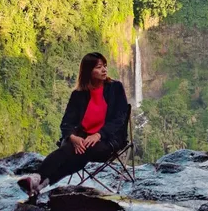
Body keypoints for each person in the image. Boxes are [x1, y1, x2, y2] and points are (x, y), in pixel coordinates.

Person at [18, 52, 128, 197]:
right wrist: (72, 137)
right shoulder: (78, 94)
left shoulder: (115, 88)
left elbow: (119, 119)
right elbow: (66, 123)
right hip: (82, 138)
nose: (104, 70)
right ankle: (39, 183)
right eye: (99, 67)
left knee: (81, 150)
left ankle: (37, 179)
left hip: (108, 140)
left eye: (105, 66)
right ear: (88, 71)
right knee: (75, 147)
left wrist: (99, 134)